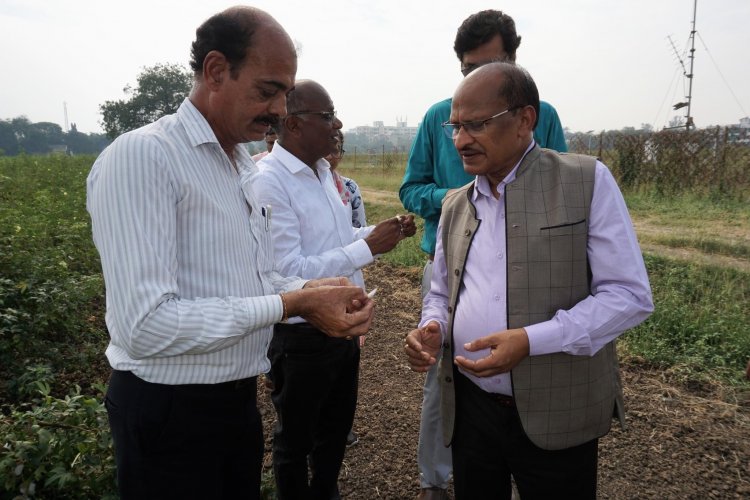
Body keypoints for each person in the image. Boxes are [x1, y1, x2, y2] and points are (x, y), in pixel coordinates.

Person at [86, 8, 374, 500]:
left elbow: (257, 279)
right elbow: (144, 325)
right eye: (267, 91)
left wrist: (309, 289)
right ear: (216, 71)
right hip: (169, 413)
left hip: (235, 402)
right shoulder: (144, 157)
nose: (280, 109)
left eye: (285, 93)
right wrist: (292, 305)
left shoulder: (239, 164)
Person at [404, 62, 654, 500]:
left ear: (525, 120)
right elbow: (443, 292)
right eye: (456, 126)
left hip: (557, 407)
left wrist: (532, 339)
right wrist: (433, 328)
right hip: (471, 407)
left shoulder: (585, 180)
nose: (461, 140)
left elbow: (628, 296)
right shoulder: (455, 205)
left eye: (477, 124)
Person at [398, 10, 568, 499]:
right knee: (443, 380)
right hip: (450, 270)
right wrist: (461, 199)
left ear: (514, 61)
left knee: (527, 377)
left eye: (489, 64)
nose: (478, 76)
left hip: (525, 267)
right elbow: (412, 189)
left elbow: (556, 185)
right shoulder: (438, 119)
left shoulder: (545, 115)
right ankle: (435, 478)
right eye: (469, 67)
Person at [251, 79, 416, 500]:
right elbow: (288, 270)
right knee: (295, 438)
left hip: (342, 329)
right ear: (292, 124)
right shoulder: (269, 181)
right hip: (303, 333)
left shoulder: (322, 172)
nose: (336, 123)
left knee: (336, 429)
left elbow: (336, 240)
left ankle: (326, 491)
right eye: (326, 116)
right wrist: (365, 247)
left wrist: (378, 234)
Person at [327, 130, 367, 228]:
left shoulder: (350, 188)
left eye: (335, 150)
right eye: (324, 149)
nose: (328, 157)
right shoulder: (298, 186)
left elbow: (359, 228)